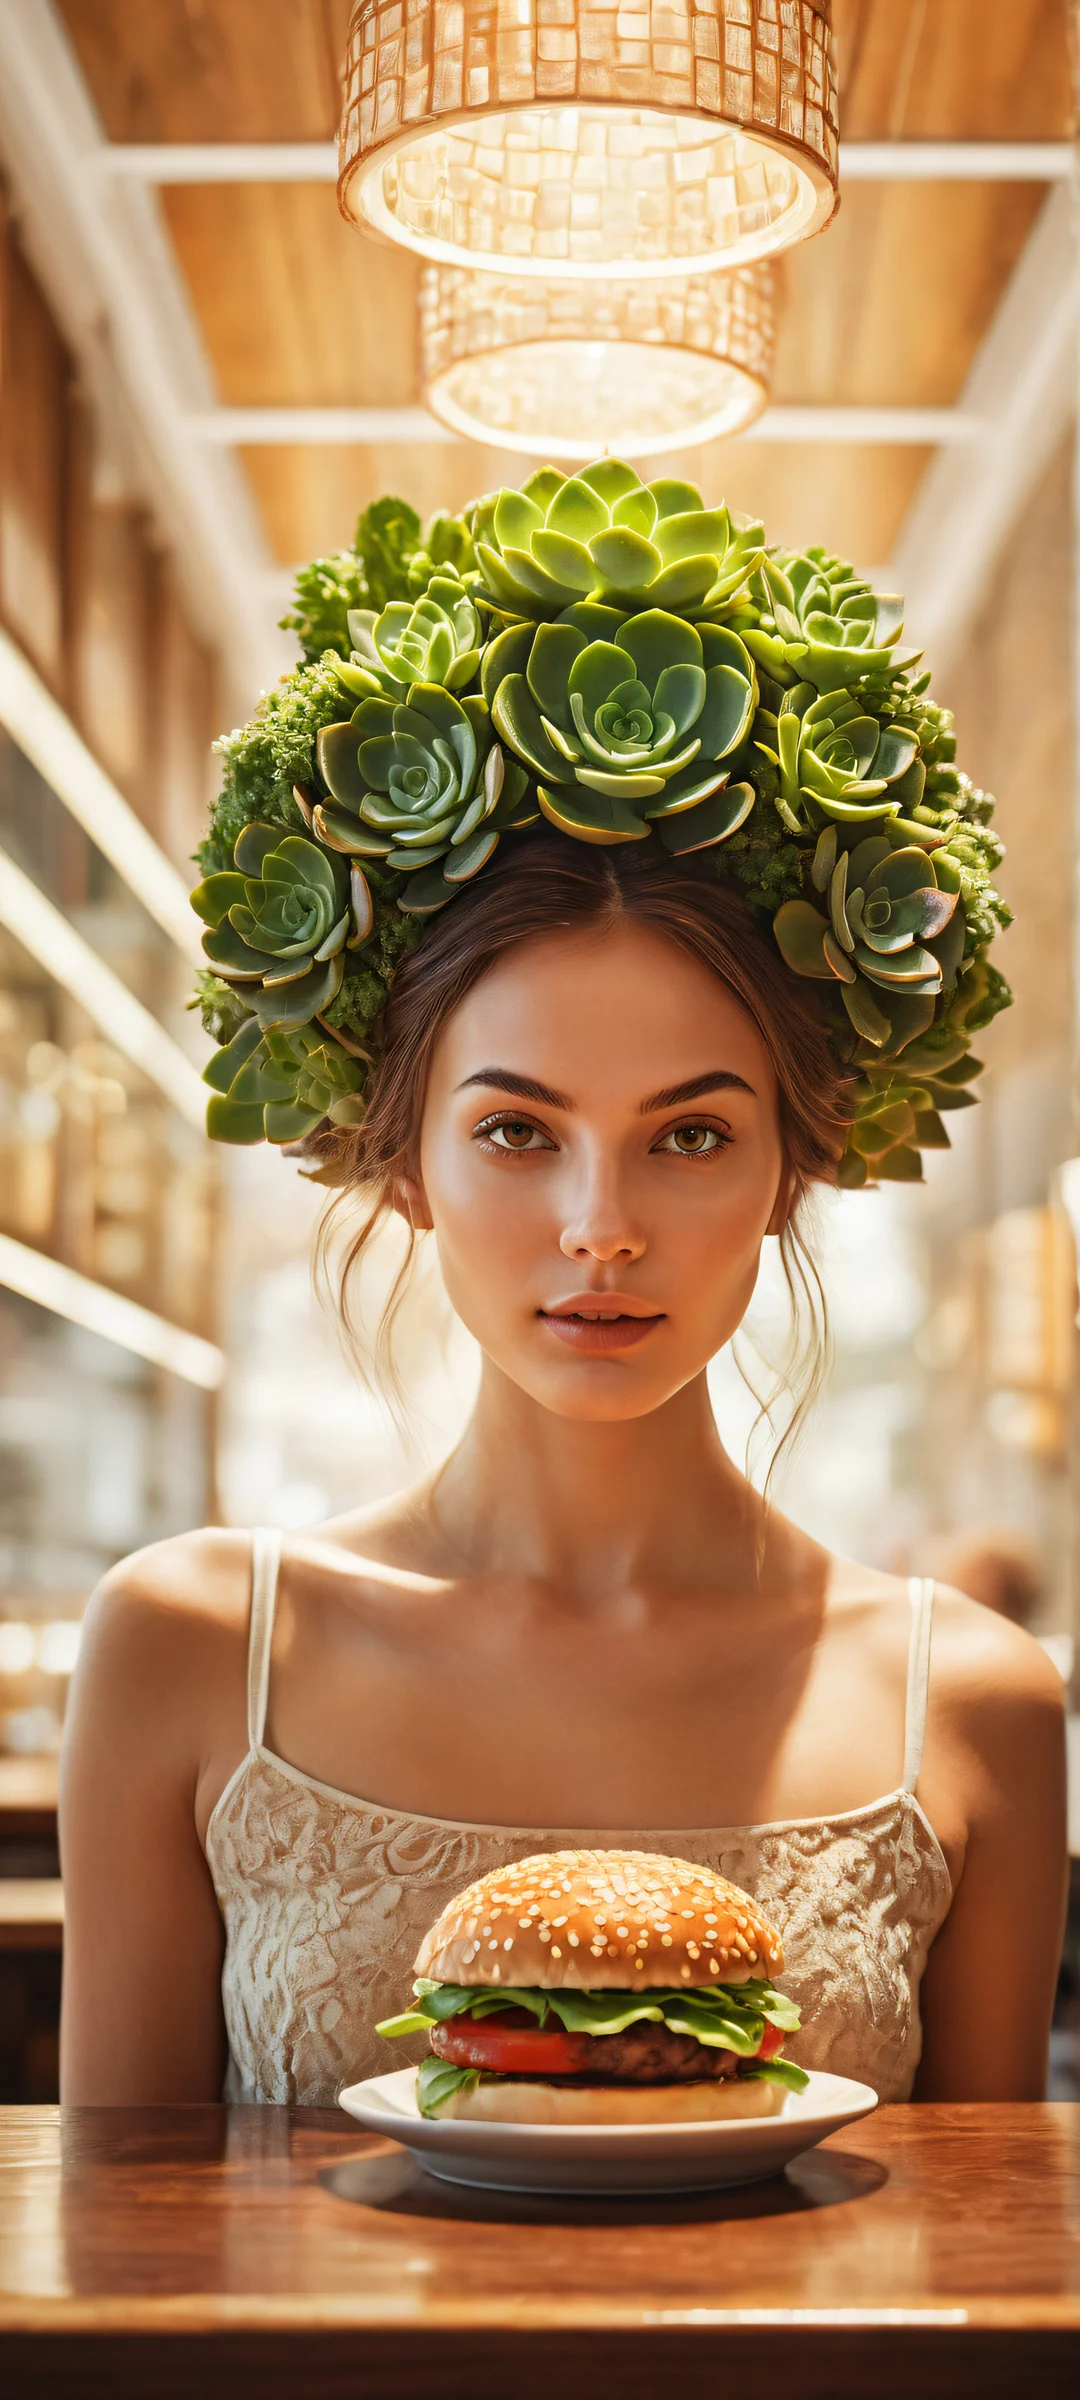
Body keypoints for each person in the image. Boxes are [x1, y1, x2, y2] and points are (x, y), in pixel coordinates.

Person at [58, 467, 1067, 2111]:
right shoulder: (193, 1648)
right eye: (518, 1129)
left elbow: (999, 2289)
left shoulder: (967, 1705)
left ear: (794, 1170)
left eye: (689, 1134)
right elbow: (120, 2268)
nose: (601, 1227)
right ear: (401, 1164)